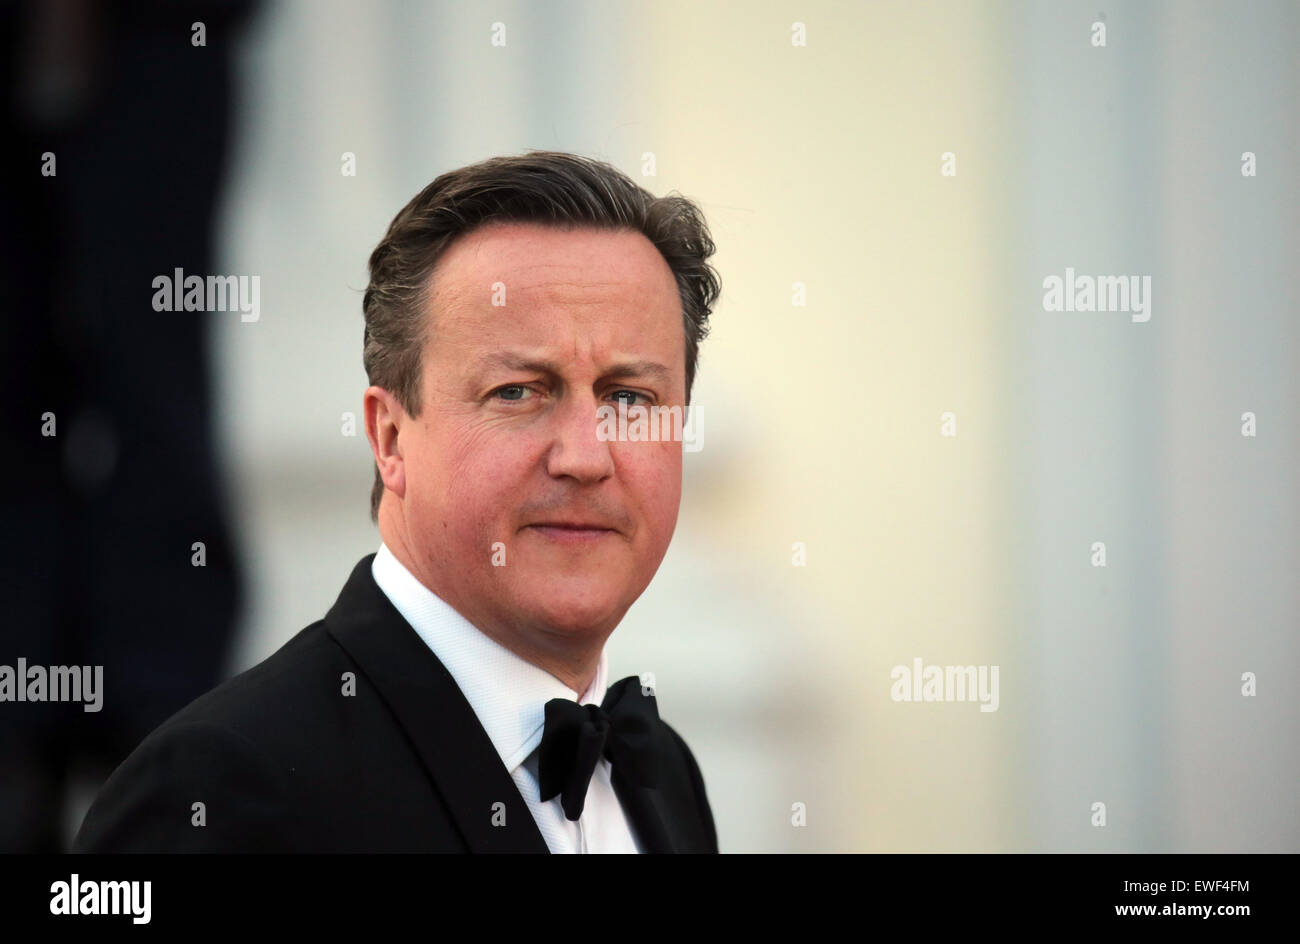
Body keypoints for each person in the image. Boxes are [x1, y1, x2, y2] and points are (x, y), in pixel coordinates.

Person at [73, 151, 722, 853]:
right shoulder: (219, 788)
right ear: (389, 438)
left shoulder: (662, 772)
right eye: (517, 392)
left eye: (630, 398)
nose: (585, 457)